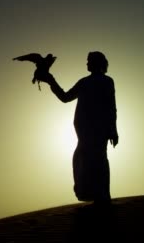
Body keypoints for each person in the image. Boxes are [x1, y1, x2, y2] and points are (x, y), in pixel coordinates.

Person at [39, 51, 118, 207]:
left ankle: (102, 196)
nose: (87, 64)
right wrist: (50, 80)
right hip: (84, 129)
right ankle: (98, 195)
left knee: (98, 160)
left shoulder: (107, 81)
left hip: (98, 128)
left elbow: (111, 107)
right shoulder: (84, 82)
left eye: (89, 61)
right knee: (85, 160)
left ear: (97, 63)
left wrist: (113, 129)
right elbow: (65, 97)